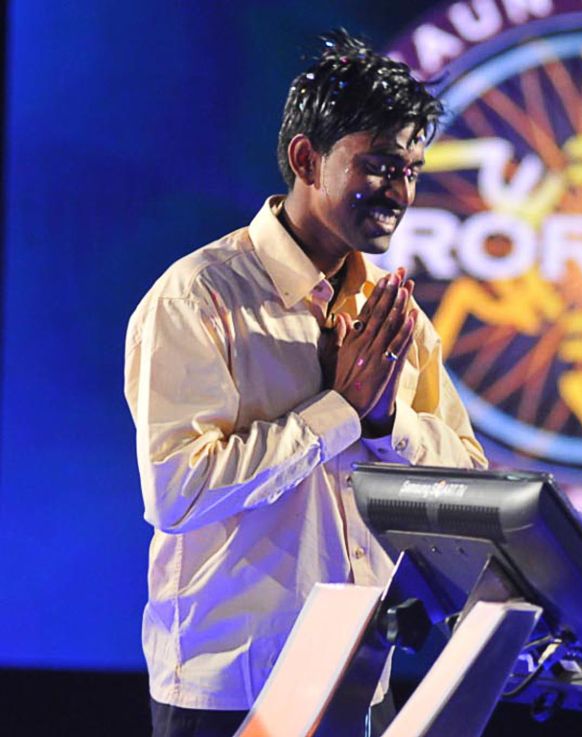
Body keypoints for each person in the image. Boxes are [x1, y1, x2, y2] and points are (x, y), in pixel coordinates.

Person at [124, 30, 487, 737]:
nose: (399, 193)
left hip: (360, 674)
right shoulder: (197, 297)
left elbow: (471, 481)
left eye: (411, 169)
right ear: (305, 159)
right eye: (379, 165)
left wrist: (386, 425)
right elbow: (178, 491)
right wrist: (340, 411)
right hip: (233, 684)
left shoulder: (394, 309)